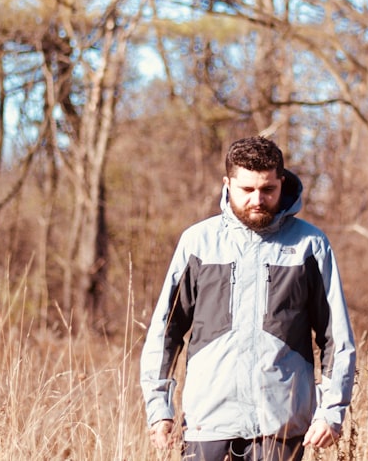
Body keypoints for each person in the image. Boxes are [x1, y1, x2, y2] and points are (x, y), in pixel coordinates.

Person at [140, 136, 356, 461]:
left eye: (268, 189)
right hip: (206, 424)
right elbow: (165, 332)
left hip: (281, 426)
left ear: (281, 183)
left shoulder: (311, 245)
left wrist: (331, 412)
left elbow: (336, 338)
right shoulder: (198, 243)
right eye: (246, 190)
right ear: (227, 184)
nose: (258, 200)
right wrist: (160, 409)